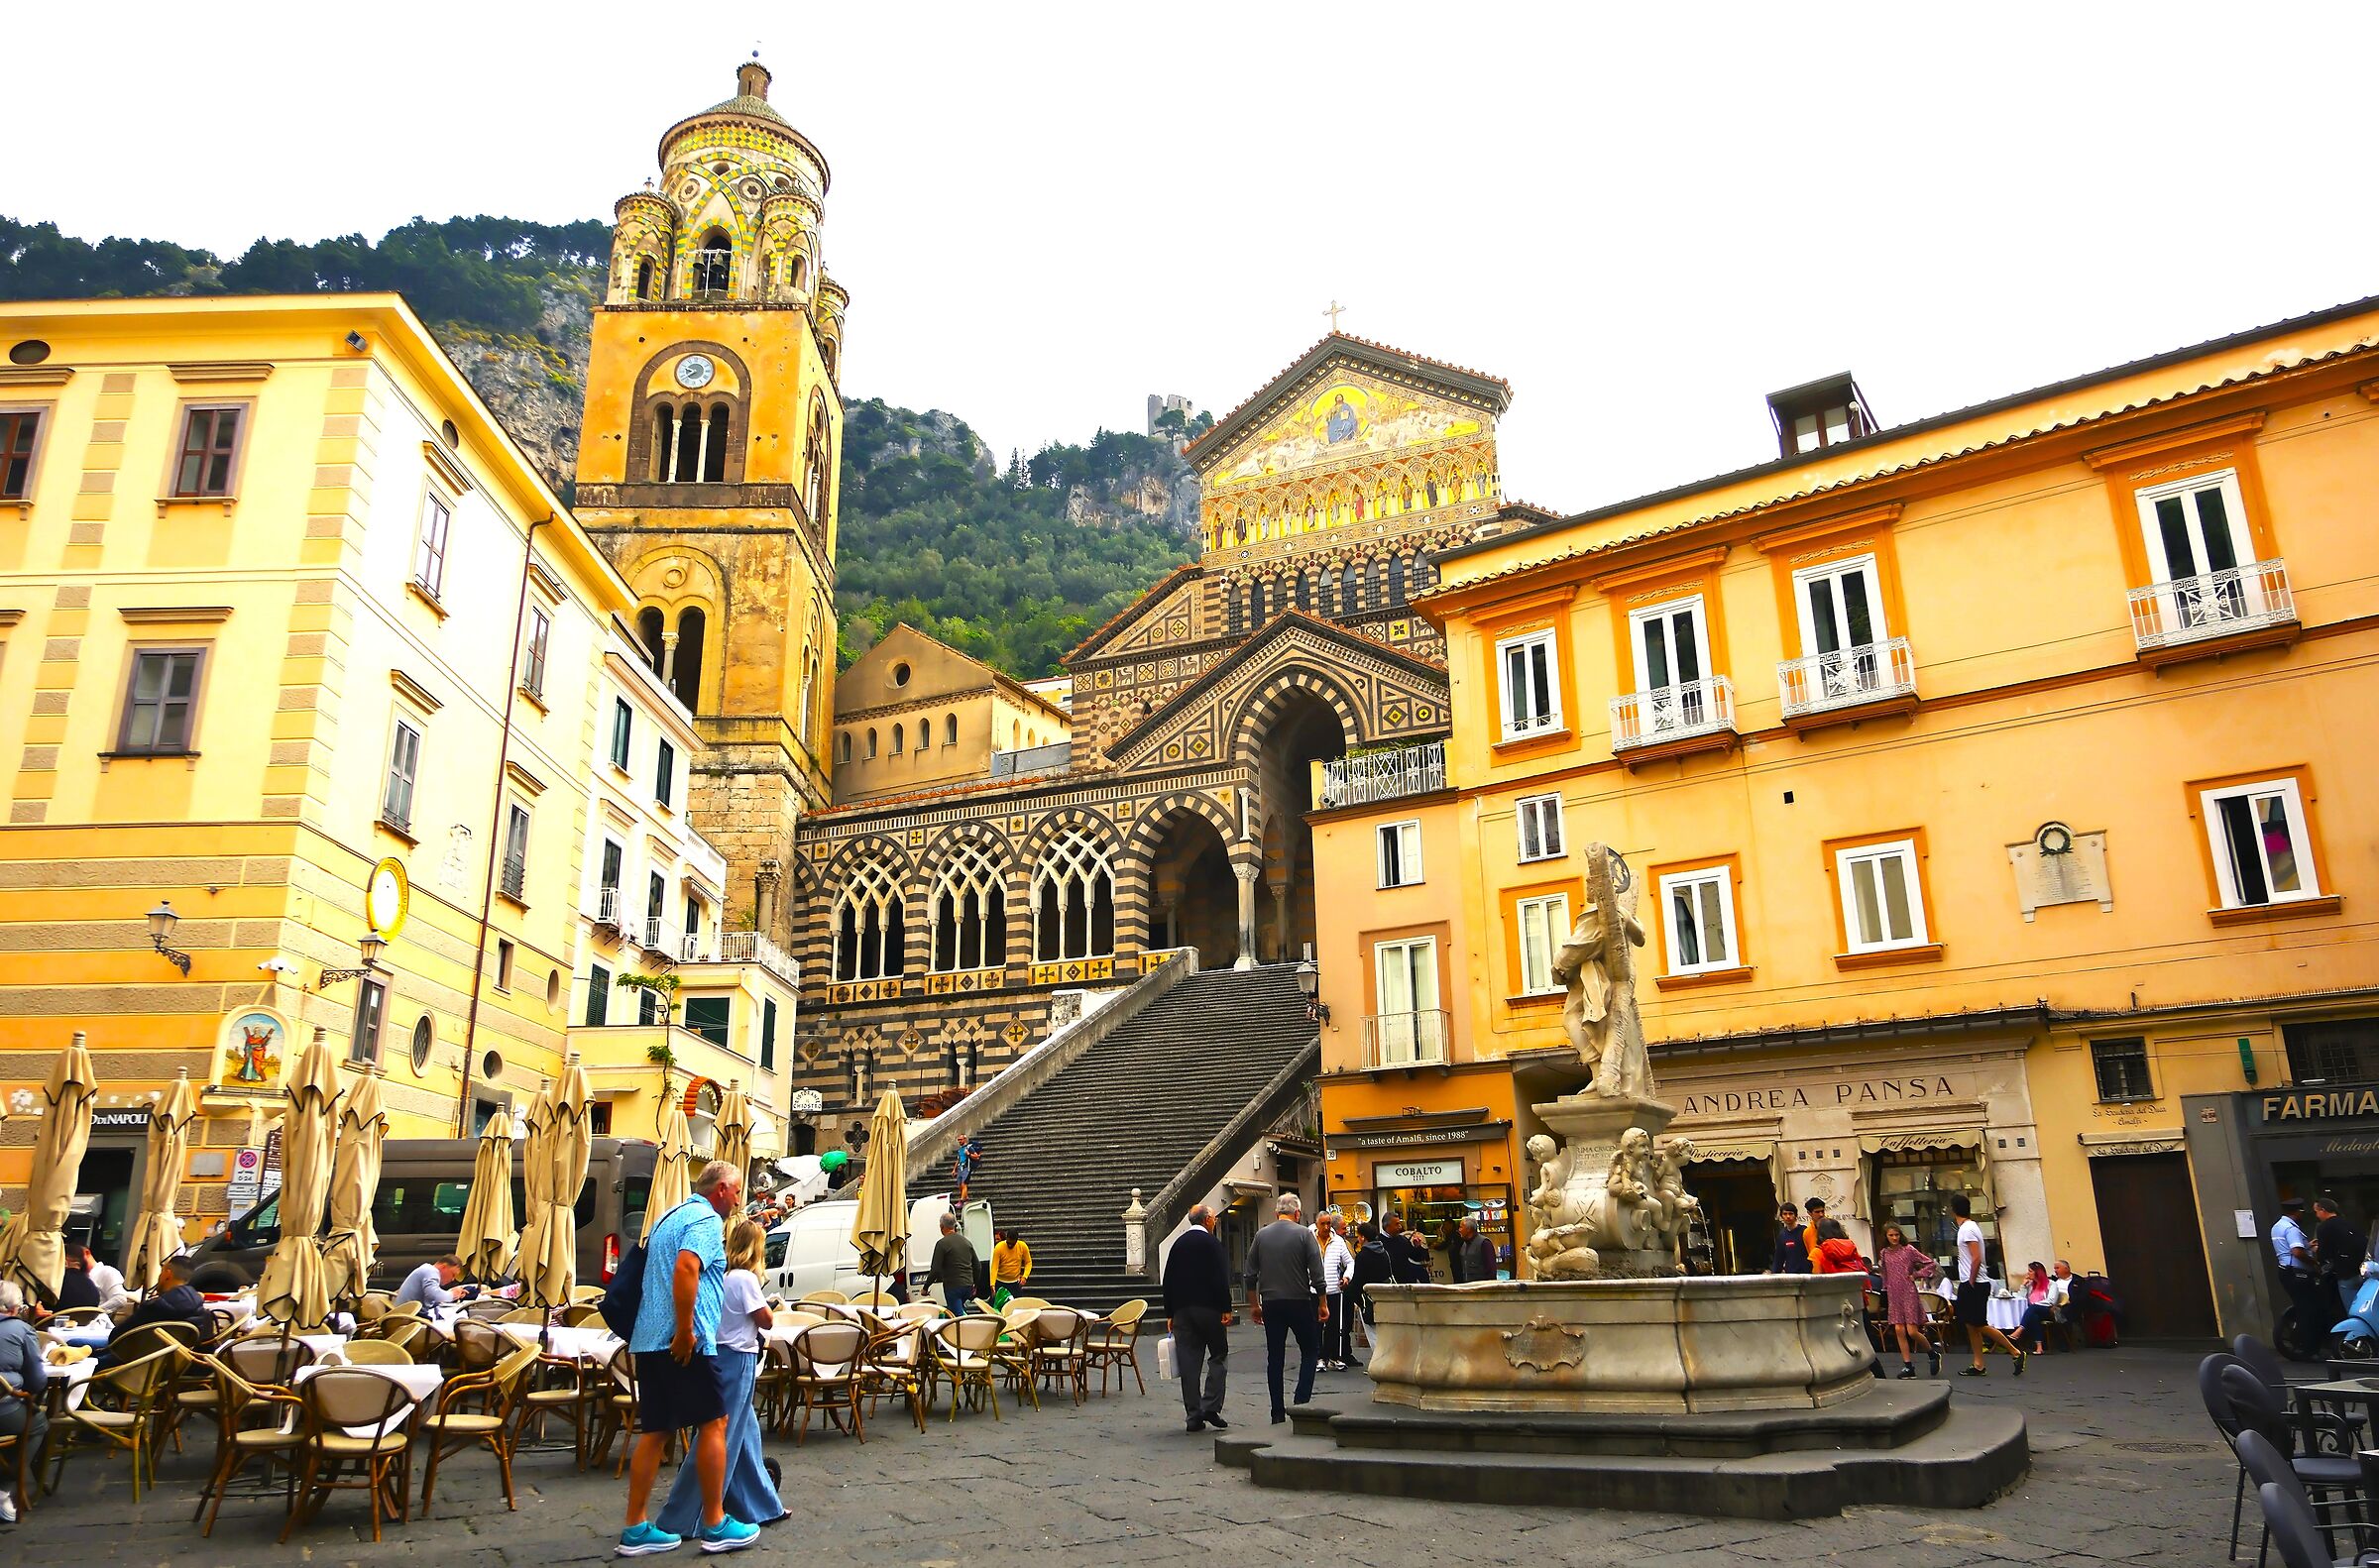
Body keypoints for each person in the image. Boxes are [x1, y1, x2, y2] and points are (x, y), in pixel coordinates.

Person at [620, 1160, 757, 1557]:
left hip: (647, 1339)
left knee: (656, 1431)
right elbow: (686, 1268)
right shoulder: (706, 1221)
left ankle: (635, 1528)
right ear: (721, 1190)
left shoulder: (669, 1216)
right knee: (715, 1423)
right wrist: (684, 1331)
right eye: (735, 1192)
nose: (737, 1200)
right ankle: (715, 1523)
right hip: (684, 1343)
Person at [657, 1219, 780, 1535]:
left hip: (719, 1354)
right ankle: (688, 1516)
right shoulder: (745, 1280)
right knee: (722, 1437)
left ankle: (761, 1505)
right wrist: (771, 1308)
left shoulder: (721, 1277)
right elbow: (764, 1321)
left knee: (745, 1437)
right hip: (740, 1358)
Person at [1244, 1192, 1326, 1424]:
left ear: (1276, 1213)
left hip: (1271, 1303)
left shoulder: (1261, 1235)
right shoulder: (1304, 1235)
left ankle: (1277, 1412)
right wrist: (1322, 1303)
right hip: (1299, 1301)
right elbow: (1317, 1273)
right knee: (1310, 1351)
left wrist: (1253, 1305)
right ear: (1297, 1213)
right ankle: (1301, 1402)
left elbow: (1250, 1275)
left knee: (1275, 1358)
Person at [1162, 1204, 1233, 1432]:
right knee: (1219, 1354)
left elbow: (1168, 1279)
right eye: (1214, 1218)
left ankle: (1193, 1416)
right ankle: (1210, 1405)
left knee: (1189, 1363)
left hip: (1183, 1311)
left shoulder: (1178, 1245)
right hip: (1210, 1310)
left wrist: (1170, 1312)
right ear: (1208, 1220)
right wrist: (1226, 1307)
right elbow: (1221, 1277)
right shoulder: (1213, 1244)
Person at [1948, 1193, 2024, 1378]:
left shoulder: (1967, 1229)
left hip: (1974, 1283)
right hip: (1973, 1282)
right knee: (1970, 1324)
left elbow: (1976, 1257)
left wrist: (1971, 1280)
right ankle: (1979, 1363)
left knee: (1979, 1324)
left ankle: (2015, 1352)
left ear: (1953, 1210)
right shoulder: (1970, 1227)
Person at [97, 1254, 209, 1365]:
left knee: (81, 1343)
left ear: (167, 1274)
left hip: (130, 1365)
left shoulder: (154, 1307)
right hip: (172, 1367)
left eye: (161, 1271)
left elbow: (116, 1338)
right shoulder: (199, 1308)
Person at [0, 1280, 47, 1522]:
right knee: (39, 1423)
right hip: (3, 1411)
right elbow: (37, 1381)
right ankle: (6, 1484)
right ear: (15, 1308)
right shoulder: (20, 1330)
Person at [1875, 1223, 1939, 1378]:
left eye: (1897, 1235)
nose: (1895, 1238)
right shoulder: (1884, 1253)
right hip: (1893, 1293)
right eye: (1891, 1235)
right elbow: (1885, 1273)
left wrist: (1916, 1275)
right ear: (1886, 1236)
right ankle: (1908, 1365)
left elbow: (1931, 1263)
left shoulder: (1908, 1250)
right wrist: (1885, 1288)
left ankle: (1932, 1353)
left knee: (1912, 1331)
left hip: (1908, 1292)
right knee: (1898, 1330)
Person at [2273, 1199, 2323, 1342]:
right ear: (2297, 1212)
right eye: (2301, 1212)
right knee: (2309, 1310)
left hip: (2285, 1270)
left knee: (2301, 1307)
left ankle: (2302, 1344)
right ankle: (2310, 1349)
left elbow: (2286, 1248)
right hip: (2298, 1273)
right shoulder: (2291, 1228)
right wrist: (2315, 1263)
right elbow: (2297, 1252)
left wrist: (2306, 1245)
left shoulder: (2277, 1226)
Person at [2314, 1195, 2367, 1314]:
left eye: (2316, 1212)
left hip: (2345, 1274)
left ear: (2323, 1210)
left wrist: (2316, 1250)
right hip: (2363, 1270)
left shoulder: (2323, 1227)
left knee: (2352, 1310)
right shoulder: (2349, 1223)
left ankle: (2357, 1331)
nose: (2317, 1215)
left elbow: (2324, 1254)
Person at [1319, 1216, 1355, 1371]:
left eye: (1328, 1223)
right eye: (1323, 1224)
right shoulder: (1309, 1238)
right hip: (1315, 1289)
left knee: (1334, 1325)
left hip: (1334, 1288)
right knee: (1317, 1326)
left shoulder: (1338, 1241)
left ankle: (1333, 1357)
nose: (1327, 1227)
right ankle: (1319, 1357)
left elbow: (1350, 1262)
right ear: (1317, 1224)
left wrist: (1347, 1277)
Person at [930, 1212, 979, 1317]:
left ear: (941, 1226)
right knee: (952, 1312)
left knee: (958, 1317)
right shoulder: (967, 1242)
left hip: (953, 1287)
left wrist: (926, 1287)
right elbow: (978, 1265)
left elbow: (935, 1269)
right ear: (954, 1225)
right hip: (968, 1286)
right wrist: (975, 1284)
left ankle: (967, 1332)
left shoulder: (941, 1244)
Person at [1351, 1221, 1393, 1332]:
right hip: (1385, 1300)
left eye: (1359, 1236)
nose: (1358, 1239)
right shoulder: (1384, 1253)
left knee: (1374, 1338)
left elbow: (1357, 1282)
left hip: (1369, 1302)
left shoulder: (1362, 1256)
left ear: (1363, 1237)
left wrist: (1356, 1299)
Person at [2016, 1261, 2061, 1355]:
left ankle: (2020, 1330)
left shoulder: (2051, 1284)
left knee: (2033, 1309)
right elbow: (2020, 1298)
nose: (2028, 1273)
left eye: (2030, 1271)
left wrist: (2035, 1306)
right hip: (2032, 1312)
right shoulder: (2031, 1285)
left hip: (2046, 1310)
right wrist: (2023, 1286)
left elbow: (2051, 1301)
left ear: (2037, 1272)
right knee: (2034, 1316)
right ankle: (2039, 1347)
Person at [396, 1254, 468, 1311]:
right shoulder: (431, 1271)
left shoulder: (427, 1269)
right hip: (407, 1317)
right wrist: (453, 1294)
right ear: (444, 1267)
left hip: (407, 1312)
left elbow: (433, 1296)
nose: (452, 1279)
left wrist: (453, 1294)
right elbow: (434, 1295)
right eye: (453, 1274)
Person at [82, 1247, 133, 1316]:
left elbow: (119, 1299)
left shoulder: (107, 1271)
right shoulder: (77, 1276)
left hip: (93, 1321)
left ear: (86, 1253)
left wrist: (92, 1314)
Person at [1382, 1214, 1429, 1285]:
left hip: (1405, 1283)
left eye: (1399, 1224)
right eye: (1397, 1224)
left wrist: (1417, 1246)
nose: (1400, 1227)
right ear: (1387, 1226)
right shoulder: (1379, 1242)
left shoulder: (1403, 1240)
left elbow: (1416, 1257)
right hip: (1387, 1285)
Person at [992, 1228, 1033, 1302]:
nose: (1010, 1245)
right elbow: (994, 1267)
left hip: (1015, 1283)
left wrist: (1024, 1277)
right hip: (1000, 1281)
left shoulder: (1022, 1246)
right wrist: (992, 1284)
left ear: (1016, 1241)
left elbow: (1028, 1262)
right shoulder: (999, 1247)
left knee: (1017, 1304)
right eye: (1008, 1243)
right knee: (997, 1305)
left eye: (1012, 1243)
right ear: (1006, 1238)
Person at [1771, 1204, 1812, 1275]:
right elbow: (1779, 1258)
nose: (1788, 1216)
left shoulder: (1804, 1231)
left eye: (1790, 1214)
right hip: (1791, 1274)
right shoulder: (1782, 1236)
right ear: (1781, 1216)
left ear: (1796, 1215)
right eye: (1785, 1214)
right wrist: (1774, 1274)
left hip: (1808, 1273)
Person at [1456, 1217, 1497, 1284]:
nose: (1459, 1230)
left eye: (1461, 1227)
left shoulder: (1484, 1243)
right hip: (1468, 1286)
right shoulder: (1464, 1245)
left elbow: (1491, 1270)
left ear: (1468, 1229)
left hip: (1482, 1288)